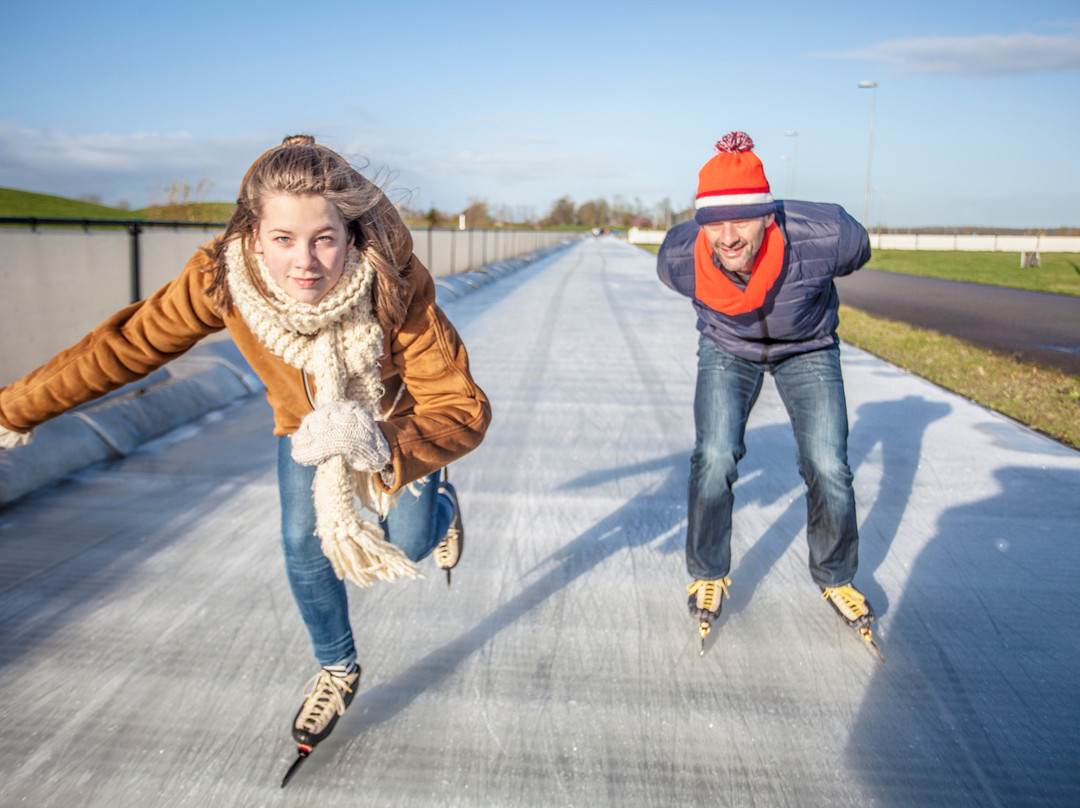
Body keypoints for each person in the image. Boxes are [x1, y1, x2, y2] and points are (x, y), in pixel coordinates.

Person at [0, 136, 491, 749]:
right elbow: (126, 346)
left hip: (396, 421)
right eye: (283, 239)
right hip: (300, 426)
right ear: (254, 236)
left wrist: (383, 444)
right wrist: (13, 409)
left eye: (324, 238)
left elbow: (460, 405)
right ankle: (337, 668)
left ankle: (440, 507)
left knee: (412, 544)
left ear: (352, 234)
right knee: (299, 541)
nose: (304, 261)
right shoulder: (221, 279)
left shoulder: (392, 281)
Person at [656, 132, 878, 654]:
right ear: (700, 223)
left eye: (742, 221)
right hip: (728, 347)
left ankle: (836, 575)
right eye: (715, 223)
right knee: (713, 457)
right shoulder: (679, 258)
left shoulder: (827, 236)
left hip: (808, 347)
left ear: (769, 216)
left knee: (828, 464)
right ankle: (708, 570)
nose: (728, 237)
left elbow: (861, 247)